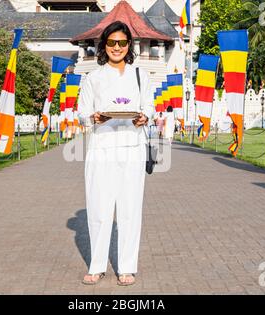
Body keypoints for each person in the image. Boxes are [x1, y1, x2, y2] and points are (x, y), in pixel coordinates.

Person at [77, 21, 154, 286]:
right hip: (102, 148)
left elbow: (149, 108)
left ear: (129, 45)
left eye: (122, 43)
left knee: (130, 210)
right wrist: (94, 117)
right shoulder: (93, 77)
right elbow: (82, 111)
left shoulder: (140, 76)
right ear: (104, 45)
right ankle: (97, 265)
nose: (117, 48)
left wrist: (144, 117)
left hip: (132, 147)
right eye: (112, 43)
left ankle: (127, 267)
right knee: (99, 207)